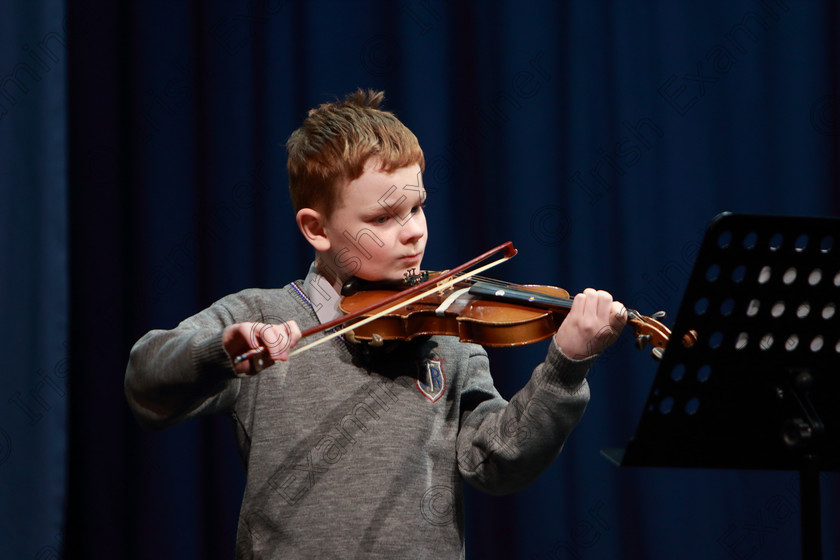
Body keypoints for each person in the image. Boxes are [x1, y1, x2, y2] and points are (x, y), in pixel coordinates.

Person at [125, 89, 627, 559]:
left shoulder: (447, 332)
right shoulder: (262, 316)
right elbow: (146, 380)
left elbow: (497, 463)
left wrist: (566, 367)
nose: (413, 233)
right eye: (383, 219)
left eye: (417, 207)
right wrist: (220, 351)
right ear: (316, 229)